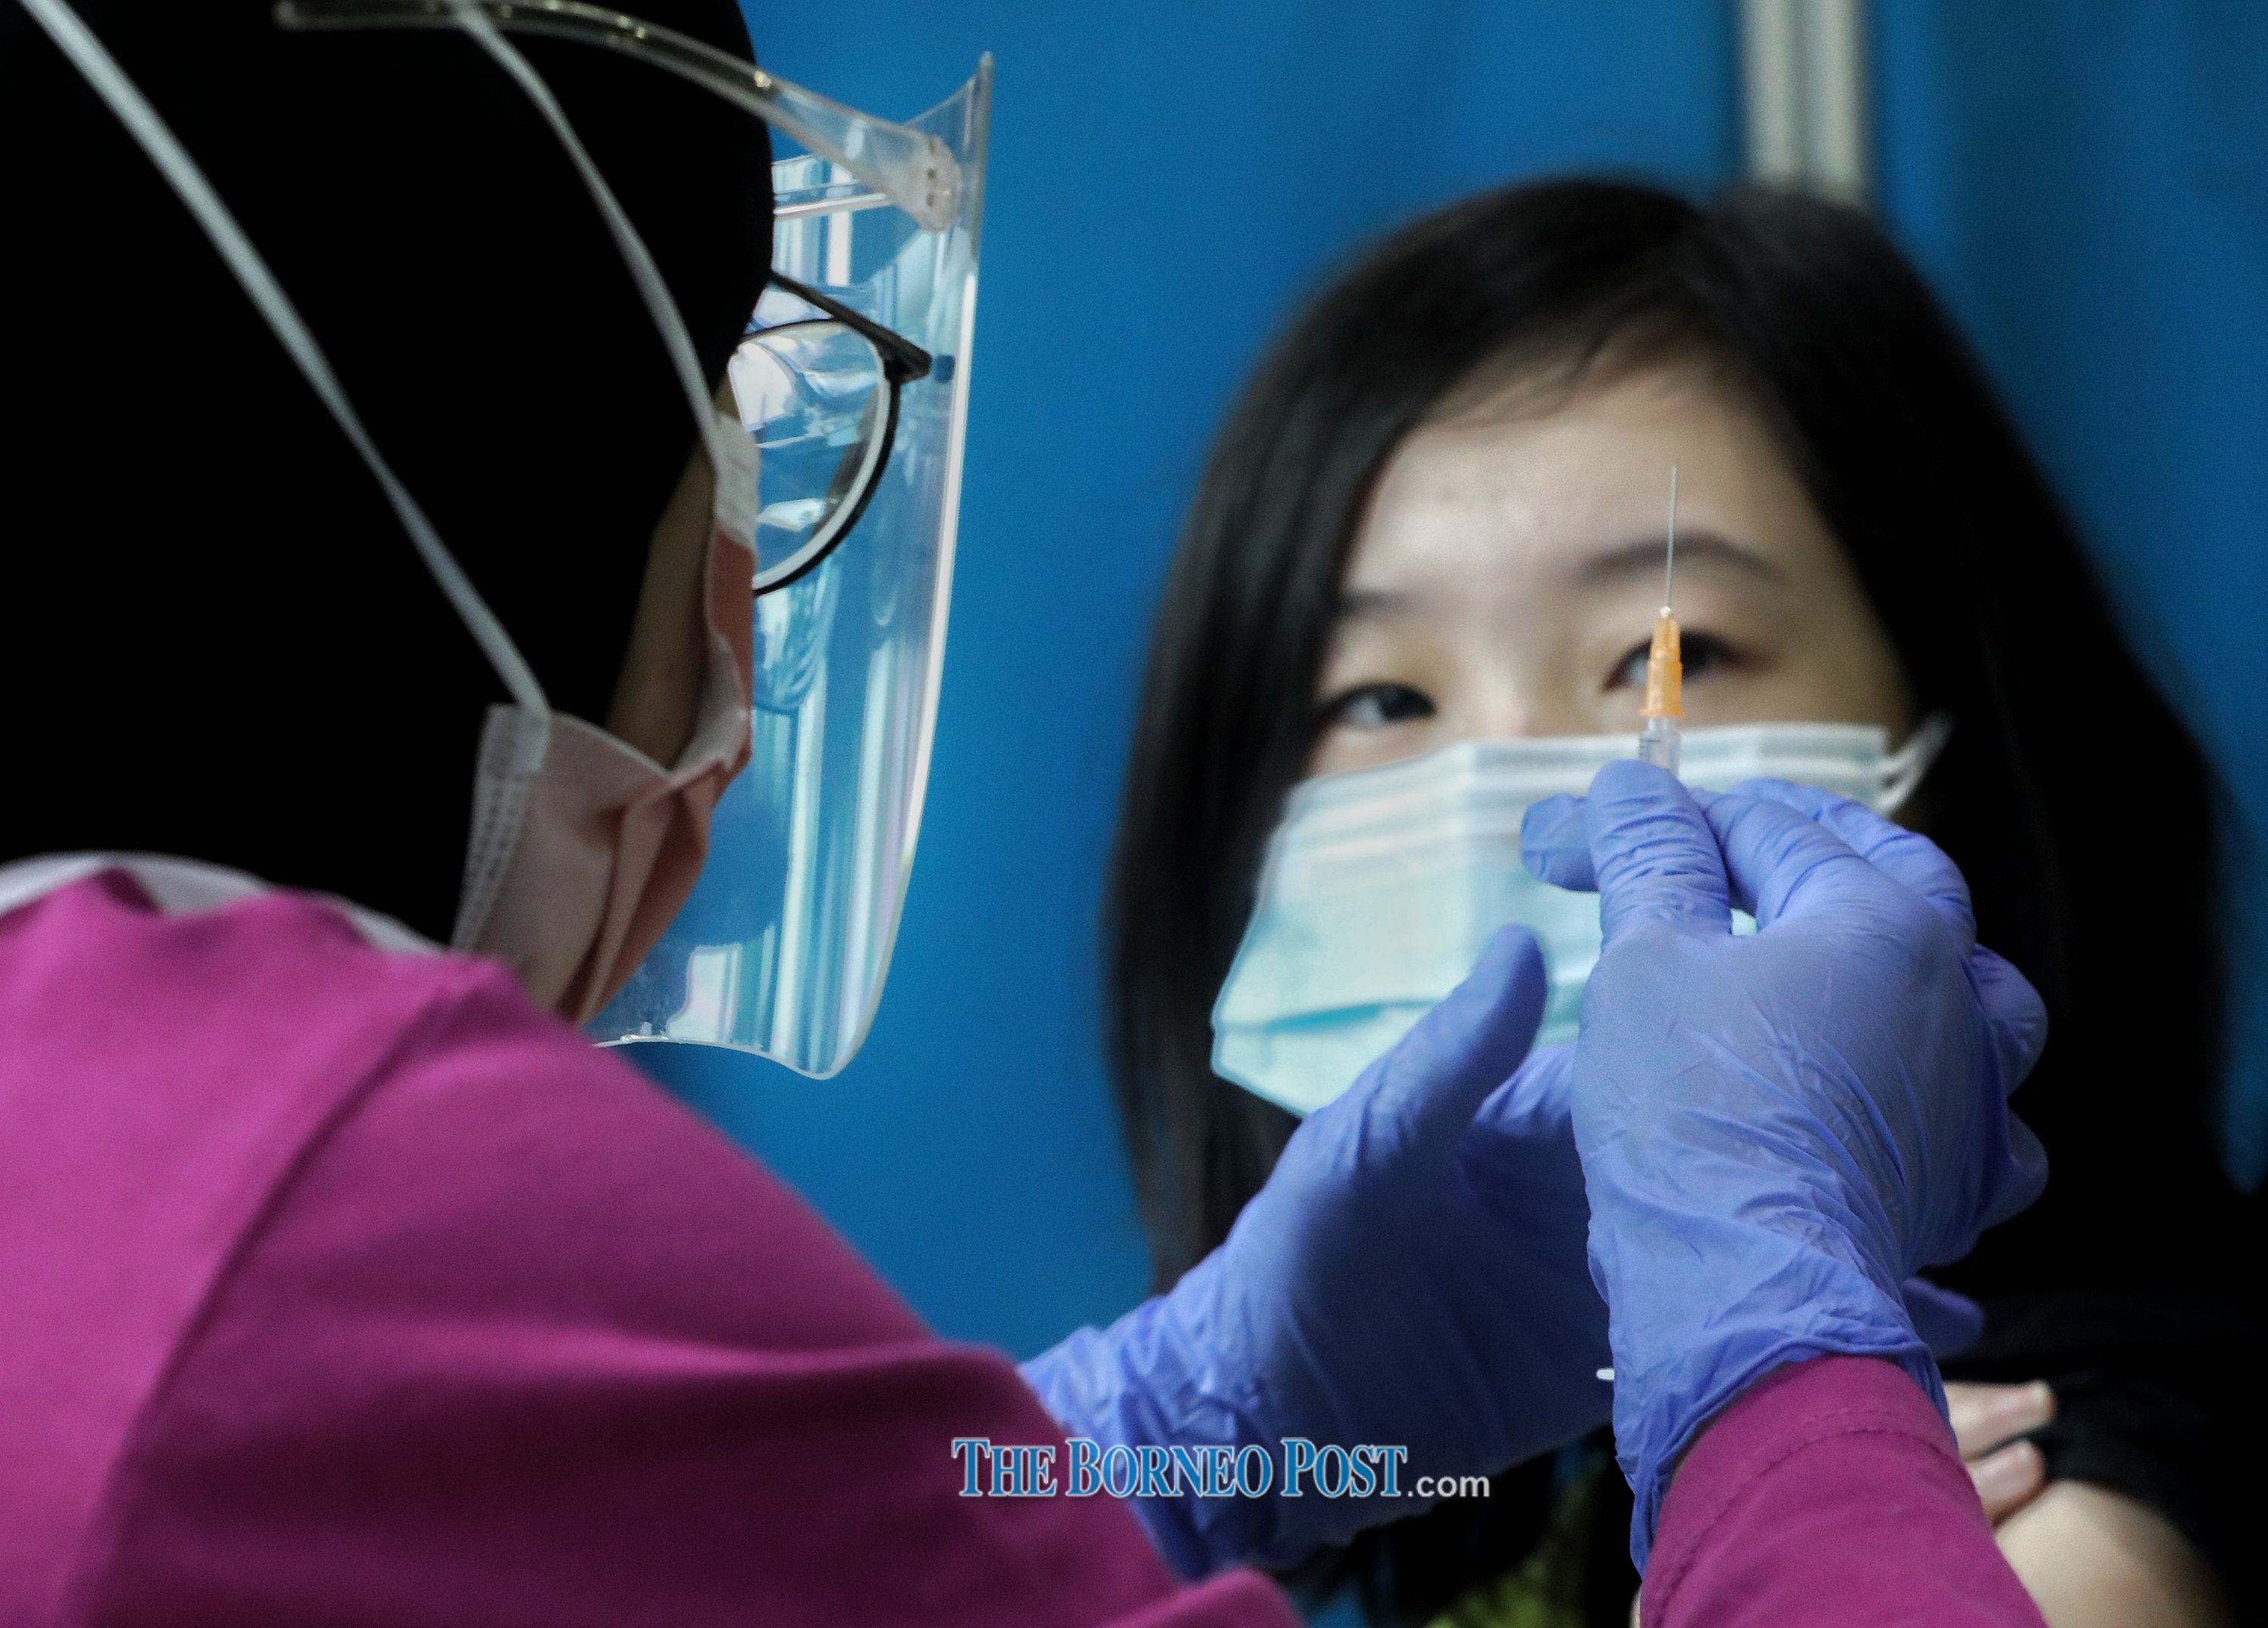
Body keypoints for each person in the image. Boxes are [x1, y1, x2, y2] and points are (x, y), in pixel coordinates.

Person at [0, 2, 2076, 1623]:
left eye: (1657, 663)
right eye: (1376, 687)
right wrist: (1788, 1407)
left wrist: (1158, 1442)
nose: (720, 733)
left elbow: (796, 1563)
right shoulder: (294, 1200)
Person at [1105, 178, 2260, 1626]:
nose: (1532, 795)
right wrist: (1139, 1442)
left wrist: (1809, 1471)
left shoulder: (2050, 1503)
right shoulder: (1404, 1437)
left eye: (1678, 655)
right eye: (1386, 692)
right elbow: (887, 1504)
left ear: (1957, 742)